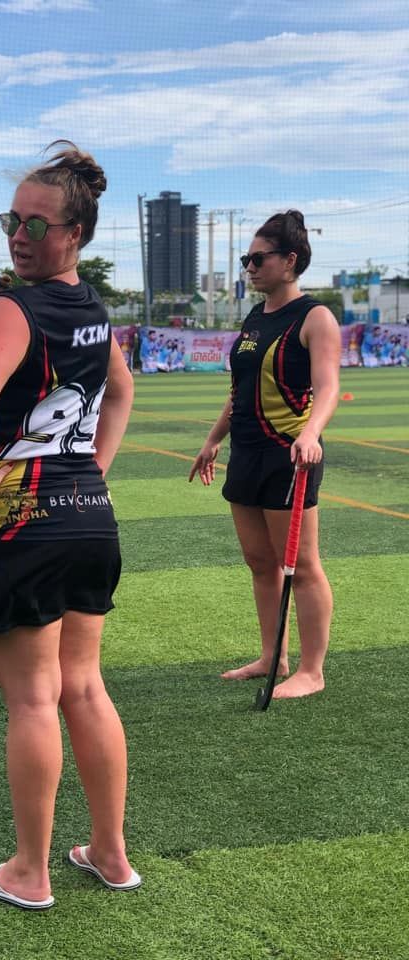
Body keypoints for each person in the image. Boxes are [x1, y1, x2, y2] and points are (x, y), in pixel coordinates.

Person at [0, 141, 138, 910]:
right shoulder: (92, 308)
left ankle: (30, 872)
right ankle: (110, 854)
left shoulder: (13, 307)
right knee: (83, 688)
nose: (19, 237)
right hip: (89, 518)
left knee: (33, 698)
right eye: (12, 221)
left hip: (20, 522)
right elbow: (121, 392)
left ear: (77, 234)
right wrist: (92, 469)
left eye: (37, 224)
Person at [189, 210, 341, 699]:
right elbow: (240, 390)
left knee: (303, 565)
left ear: (289, 260)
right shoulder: (255, 318)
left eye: (258, 259)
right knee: (260, 562)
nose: (249, 267)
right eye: (246, 259)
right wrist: (214, 439)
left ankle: (312, 672)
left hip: (290, 454)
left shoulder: (315, 317)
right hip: (248, 452)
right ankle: (273, 656)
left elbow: (328, 387)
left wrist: (311, 434)